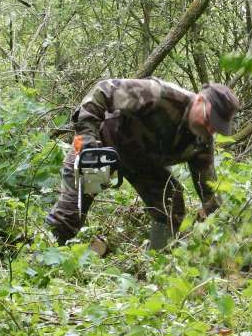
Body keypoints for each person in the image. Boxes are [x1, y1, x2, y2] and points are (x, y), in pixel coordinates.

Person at [46, 78, 240, 250]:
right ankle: (47, 256)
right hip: (104, 145)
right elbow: (103, 90)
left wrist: (228, 230)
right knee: (71, 212)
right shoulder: (159, 95)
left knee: (171, 204)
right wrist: (87, 135)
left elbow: (207, 187)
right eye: (208, 119)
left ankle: (156, 262)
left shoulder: (202, 141)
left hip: (143, 164)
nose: (209, 128)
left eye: (215, 127)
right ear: (199, 100)